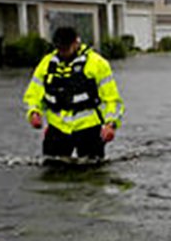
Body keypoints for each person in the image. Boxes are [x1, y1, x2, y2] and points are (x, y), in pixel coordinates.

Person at [22, 26, 123, 159]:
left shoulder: (97, 64)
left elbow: (112, 99)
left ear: (76, 43)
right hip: (57, 128)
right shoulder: (46, 64)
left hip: (89, 128)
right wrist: (34, 113)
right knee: (51, 169)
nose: (63, 53)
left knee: (93, 172)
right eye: (60, 49)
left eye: (66, 49)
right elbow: (33, 93)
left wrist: (111, 125)